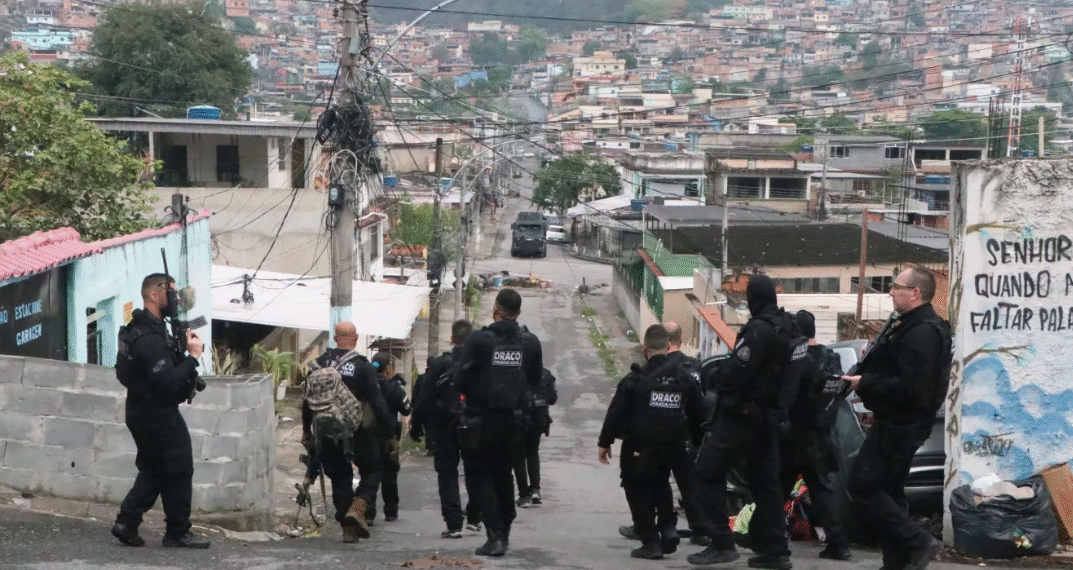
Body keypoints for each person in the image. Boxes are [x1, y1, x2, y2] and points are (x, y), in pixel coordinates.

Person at [689, 274, 800, 570]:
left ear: (755, 299)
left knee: (705, 472)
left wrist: (718, 377)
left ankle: (722, 542)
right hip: (770, 418)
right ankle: (777, 550)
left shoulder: (759, 330)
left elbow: (736, 372)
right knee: (767, 484)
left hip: (743, 416)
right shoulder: (789, 326)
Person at [843, 266, 951, 570]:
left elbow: (912, 388)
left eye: (896, 287)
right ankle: (899, 560)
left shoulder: (923, 332)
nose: (891, 292)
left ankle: (917, 543)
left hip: (900, 423)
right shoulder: (911, 327)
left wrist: (865, 383)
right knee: (889, 491)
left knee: (863, 486)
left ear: (914, 293)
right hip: (897, 421)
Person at [111, 273, 210, 549]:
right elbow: (168, 383)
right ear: (155, 295)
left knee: (155, 468)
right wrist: (192, 357)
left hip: (140, 410)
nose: (176, 298)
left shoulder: (138, 328)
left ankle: (127, 522)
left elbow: (125, 374)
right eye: (171, 292)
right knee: (179, 467)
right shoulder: (149, 339)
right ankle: (178, 532)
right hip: (157, 413)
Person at [599, 324, 706, 559]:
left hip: (640, 445)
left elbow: (616, 411)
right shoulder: (684, 378)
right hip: (674, 444)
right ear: (668, 347)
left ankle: (650, 541)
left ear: (645, 348)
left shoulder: (636, 378)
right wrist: (697, 441)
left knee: (635, 486)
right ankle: (668, 528)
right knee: (660, 482)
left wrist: (605, 442)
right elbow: (700, 412)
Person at [454, 288, 543, 557]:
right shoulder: (530, 342)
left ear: (495, 310)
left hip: (482, 421)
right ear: (518, 313)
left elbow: (460, 379)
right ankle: (504, 530)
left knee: (480, 476)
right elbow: (536, 380)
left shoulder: (479, 340)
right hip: (515, 422)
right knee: (504, 474)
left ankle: (494, 535)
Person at [304, 321, 394, 541]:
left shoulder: (318, 364)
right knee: (373, 469)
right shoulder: (362, 366)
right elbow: (377, 402)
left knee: (339, 477)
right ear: (354, 339)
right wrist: (390, 432)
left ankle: (348, 529)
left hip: (326, 429)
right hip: (358, 430)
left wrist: (307, 431)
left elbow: (307, 401)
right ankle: (358, 507)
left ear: (335, 338)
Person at [774, 310, 852, 561]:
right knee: (821, 490)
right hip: (821, 433)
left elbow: (785, 394)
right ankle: (838, 542)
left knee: (777, 489)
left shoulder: (798, 359)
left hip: (795, 433)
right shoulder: (830, 357)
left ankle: (773, 543)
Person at [411, 319, 482, 538]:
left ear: (452, 338)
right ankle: (474, 517)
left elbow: (425, 397)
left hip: (445, 426)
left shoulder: (441, 363)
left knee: (447, 473)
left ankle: (453, 523)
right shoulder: (480, 364)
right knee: (475, 470)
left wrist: (416, 424)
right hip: (473, 425)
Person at [367, 351, 411, 523]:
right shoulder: (395, 389)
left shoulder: (366, 386)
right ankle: (391, 511)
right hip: (388, 439)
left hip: (367, 438)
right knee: (389, 476)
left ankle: (368, 513)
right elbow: (407, 409)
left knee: (369, 474)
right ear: (388, 369)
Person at [514, 366, 557, 508]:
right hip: (539, 419)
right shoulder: (545, 374)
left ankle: (523, 495)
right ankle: (535, 489)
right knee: (533, 453)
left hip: (520, 420)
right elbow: (552, 399)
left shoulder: (516, 373)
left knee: (519, 456)